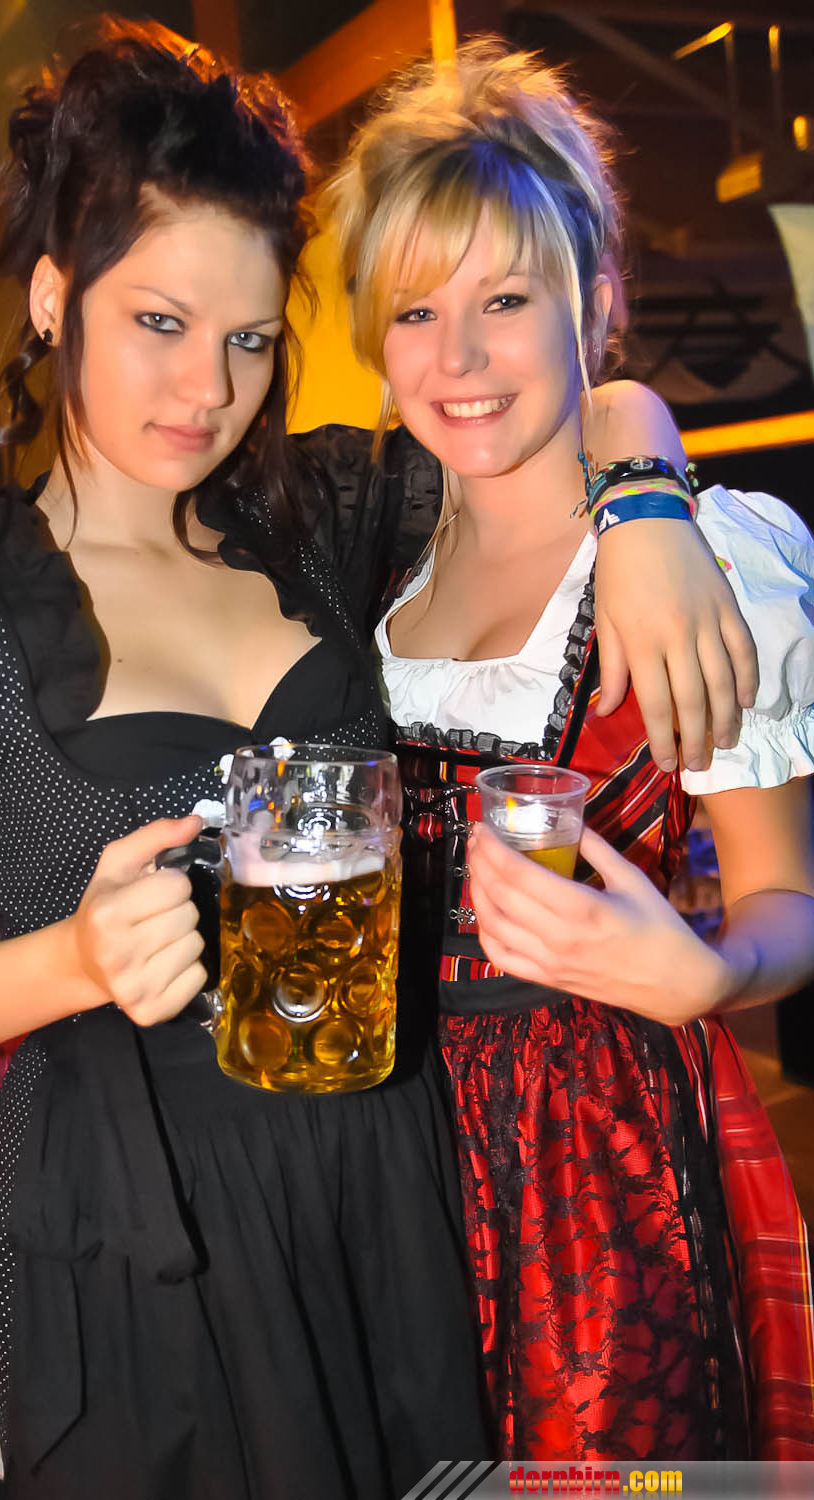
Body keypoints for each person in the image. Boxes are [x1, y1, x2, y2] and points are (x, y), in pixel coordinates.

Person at [0, 17, 764, 1495]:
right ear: (55, 298)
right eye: (160, 322)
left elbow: (544, 400)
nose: (208, 388)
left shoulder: (320, 519)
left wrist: (644, 495)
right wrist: (72, 960)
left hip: (388, 1185)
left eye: (250, 339)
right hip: (146, 1234)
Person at [318, 35, 814, 1462]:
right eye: (415, 311)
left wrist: (715, 973)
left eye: (506, 300)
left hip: (599, 1169)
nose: (458, 359)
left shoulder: (706, 557)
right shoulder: (367, 557)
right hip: (378, 1161)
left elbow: (789, 898)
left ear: (592, 301)